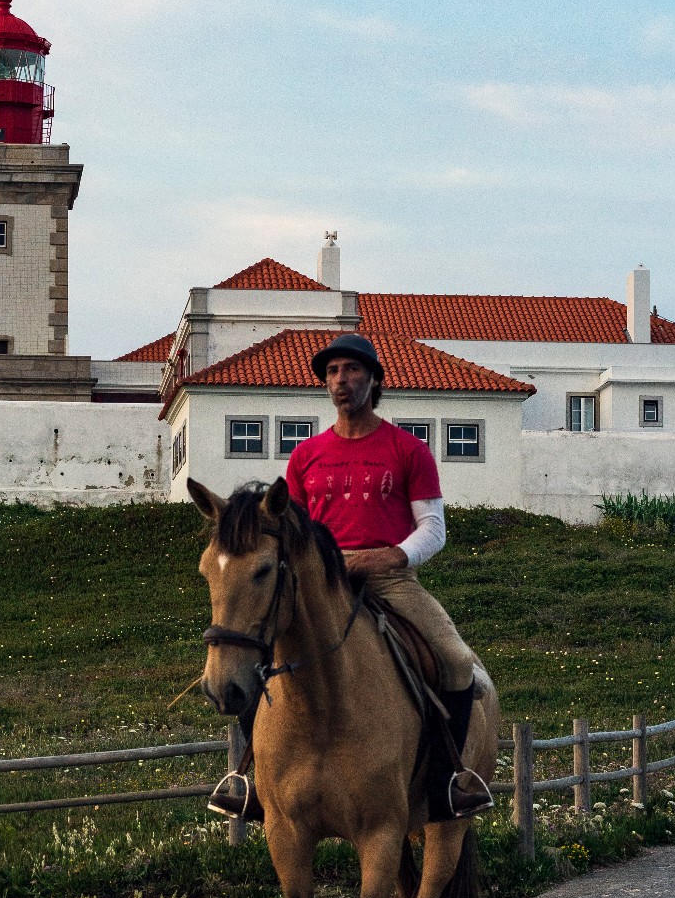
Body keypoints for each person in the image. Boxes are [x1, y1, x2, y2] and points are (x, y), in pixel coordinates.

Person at [208, 331, 491, 823]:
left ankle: (449, 783)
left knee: (456, 659)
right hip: (319, 586)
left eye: (352, 370)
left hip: (391, 580)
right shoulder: (305, 457)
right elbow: (289, 533)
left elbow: (435, 529)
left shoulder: (408, 450)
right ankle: (252, 782)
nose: (342, 380)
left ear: (375, 379)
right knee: (252, 660)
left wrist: (392, 557)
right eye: (333, 372)